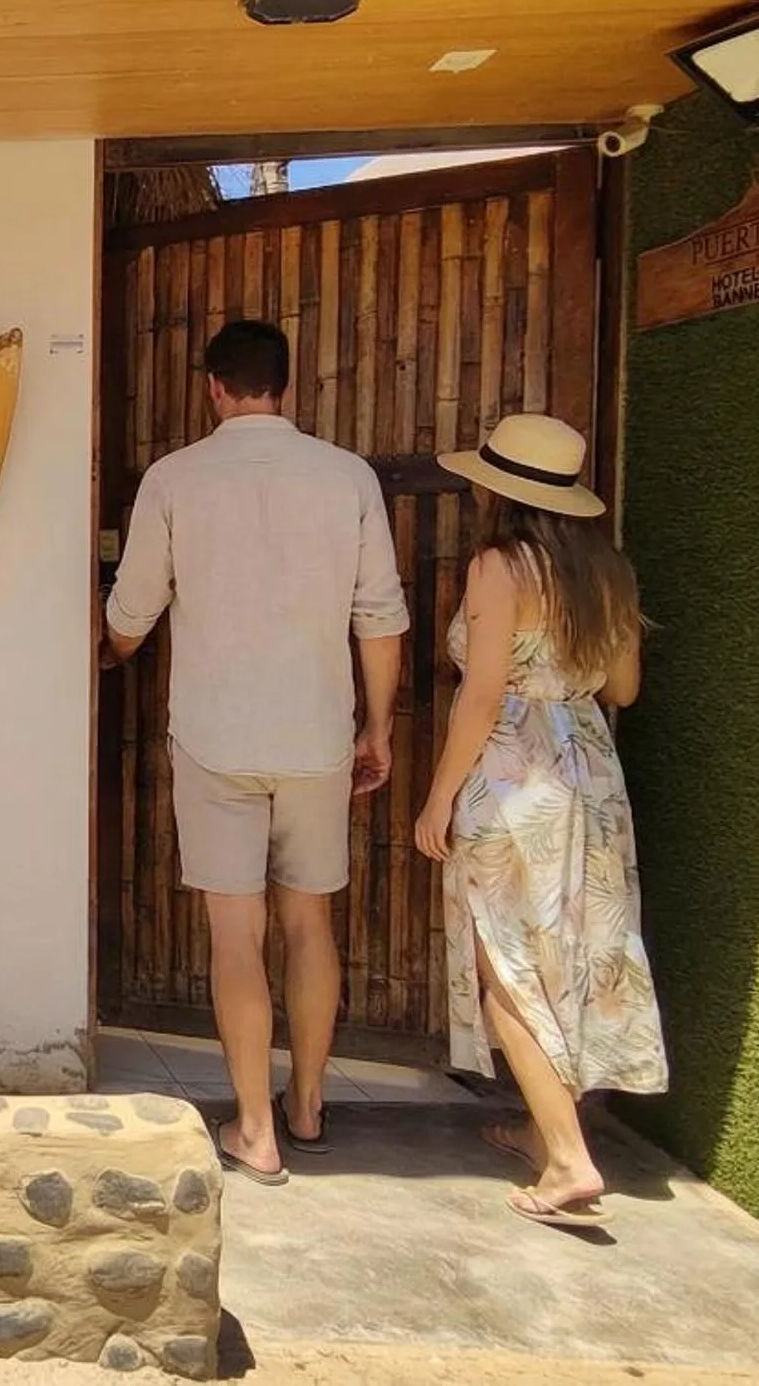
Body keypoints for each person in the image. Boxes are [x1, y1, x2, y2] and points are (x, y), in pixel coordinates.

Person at [103, 319, 408, 1185]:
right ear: (286, 385)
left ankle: (254, 1130)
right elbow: (380, 619)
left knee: (235, 936)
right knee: (310, 926)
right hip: (317, 736)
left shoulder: (174, 479)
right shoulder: (347, 478)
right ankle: (307, 1106)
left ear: (213, 387)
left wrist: (110, 653)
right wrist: (377, 728)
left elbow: (131, 614)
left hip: (214, 737)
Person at [416, 413, 667, 1230]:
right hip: (591, 777)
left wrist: (439, 797)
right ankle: (546, 1128)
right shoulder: (609, 572)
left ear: (499, 491)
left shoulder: (499, 566)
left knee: (508, 966)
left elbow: (483, 695)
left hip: (512, 779)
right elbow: (623, 690)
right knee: (576, 956)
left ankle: (566, 1159)